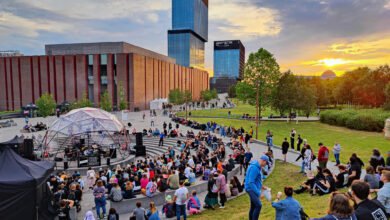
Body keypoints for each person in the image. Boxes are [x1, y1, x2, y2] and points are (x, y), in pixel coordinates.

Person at [245, 155, 270, 220]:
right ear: (263, 161)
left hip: (253, 188)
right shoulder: (254, 168)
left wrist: (262, 187)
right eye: (266, 163)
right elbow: (251, 182)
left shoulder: (257, 166)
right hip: (251, 189)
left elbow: (256, 180)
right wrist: (259, 193)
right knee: (258, 205)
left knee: (253, 206)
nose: (266, 164)